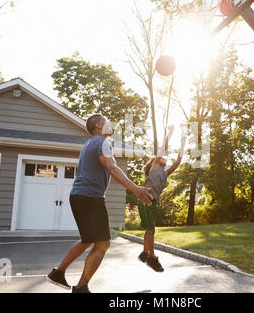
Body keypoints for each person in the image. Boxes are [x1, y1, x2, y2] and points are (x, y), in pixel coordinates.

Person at [46, 113, 153, 293]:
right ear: (97, 126)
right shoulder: (102, 143)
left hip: (80, 196)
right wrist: (135, 188)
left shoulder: (91, 144)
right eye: (105, 121)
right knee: (103, 242)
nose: (109, 123)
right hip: (90, 197)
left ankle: (58, 273)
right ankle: (80, 288)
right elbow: (112, 167)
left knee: (88, 240)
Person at [137, 125, 186, 272]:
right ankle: (152, 258)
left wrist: (183, 143)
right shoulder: (155, 167)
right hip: (146, 199)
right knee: (150, 229)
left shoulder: (165, 173)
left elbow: (178, 161)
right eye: (161, 158)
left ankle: (145, 252)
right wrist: (170, 133)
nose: (164, 158)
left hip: (153, 201)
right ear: (155, 162)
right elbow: (162, 149)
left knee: (150, 229)